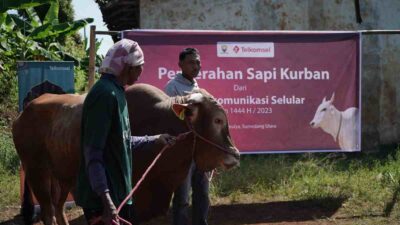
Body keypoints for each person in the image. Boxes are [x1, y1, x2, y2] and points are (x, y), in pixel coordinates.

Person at [76, 39, 175, 225]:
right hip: (104, 201)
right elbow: (93, 154)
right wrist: (107, 202)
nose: (141, 71)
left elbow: (121, 141)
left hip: (118, 195)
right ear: (126, 67)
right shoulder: (104, 95)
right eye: (139, 66)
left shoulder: (118, 92)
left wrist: (155, 140)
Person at [164, 48, 210, 225]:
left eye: (198, 62)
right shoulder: (172, 87)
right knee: (182, 197)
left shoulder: (197, 87)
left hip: (200, 150)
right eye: (191, 62)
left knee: (203, 194)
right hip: (182, 152)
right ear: (180, 65)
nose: (196, 66)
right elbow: (169, 118)